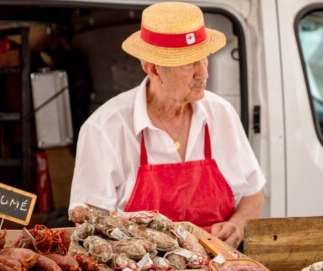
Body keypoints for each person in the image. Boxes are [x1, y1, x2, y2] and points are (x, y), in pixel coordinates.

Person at [68, 1, 265, 248]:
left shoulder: (221, 114)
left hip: (218, 264)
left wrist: (238, 223)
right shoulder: (104, 129)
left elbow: (253, 192)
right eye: (189, 63)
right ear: (153, 69)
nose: (203, 74)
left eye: (204, 59)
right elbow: (89, 225)